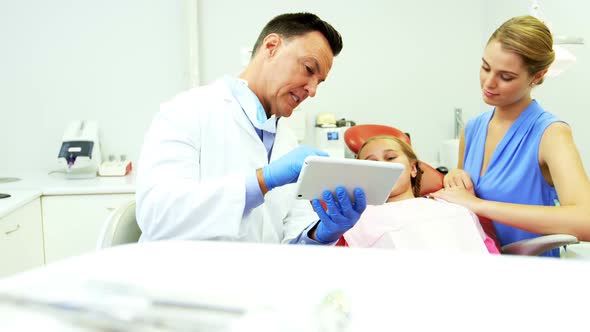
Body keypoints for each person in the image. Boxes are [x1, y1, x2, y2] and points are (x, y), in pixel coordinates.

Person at [135, 12, 366, 245]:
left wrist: (321, 233)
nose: (313, 90)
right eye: (308, 69)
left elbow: (292, 236)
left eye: (320, 81)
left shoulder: (287, 141)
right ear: (272, 46)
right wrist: (261, 181)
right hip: (183, 276)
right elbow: (157, 214)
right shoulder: (186, 111)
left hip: (259, 278)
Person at [432, 15, 590, 257]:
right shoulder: (472, 129)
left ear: (537, 77)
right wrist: (454, 177)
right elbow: (465, 204)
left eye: (506, 77)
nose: (489, 82)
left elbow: (585, 220)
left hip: (530, 274)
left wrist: (480, 205)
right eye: (485, 67)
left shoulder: (551, 134)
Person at [342, 135, 500, 255]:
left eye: (390, 158)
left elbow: (488, 252)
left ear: (413, 169)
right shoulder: (354, 219)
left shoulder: (447, 203)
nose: (382, 165)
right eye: (372, 163)